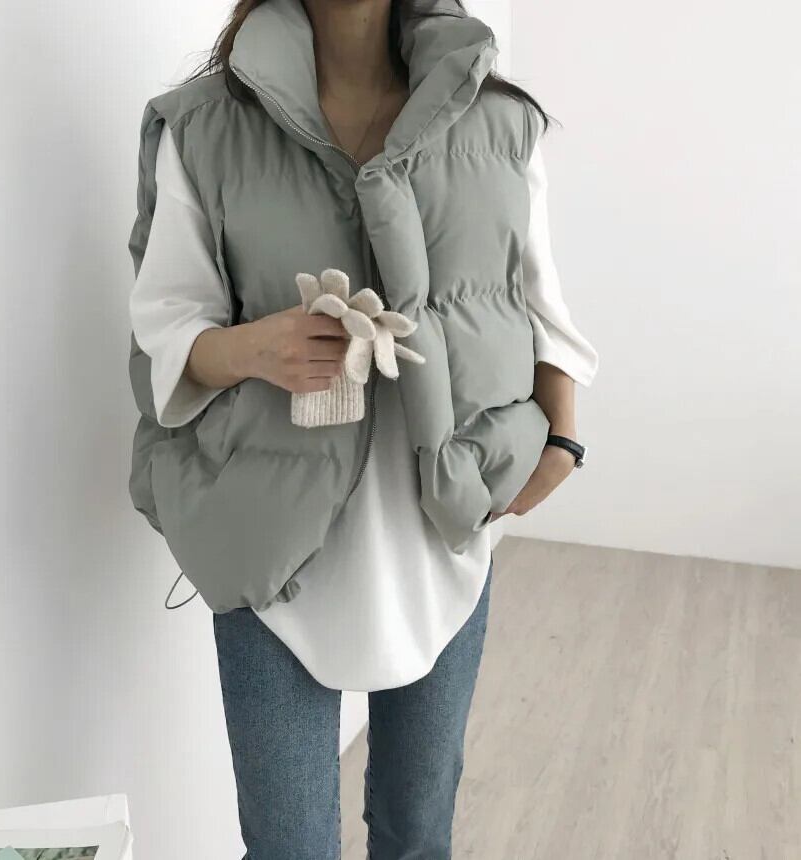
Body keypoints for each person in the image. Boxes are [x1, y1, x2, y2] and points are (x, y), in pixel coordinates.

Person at [127, 0, 598, 856]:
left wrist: (561, 445)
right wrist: (255, 347)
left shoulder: (499, 119)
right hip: (267, 545)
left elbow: (538, 302)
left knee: (419, 833)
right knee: (288, 846)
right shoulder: (202, 128)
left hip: (443, 533)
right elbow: (166, 326)